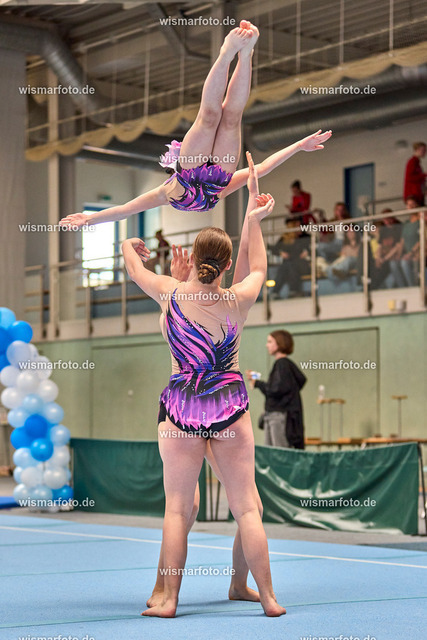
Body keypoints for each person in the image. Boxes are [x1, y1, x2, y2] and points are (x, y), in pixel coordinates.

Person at [122, 161, 286, 616]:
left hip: (181, 406)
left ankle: (169, 599)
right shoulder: (238, 299)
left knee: (178, 510)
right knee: (246, 508)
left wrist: (127, 242)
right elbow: (259, 265)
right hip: (228, 403)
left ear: (192, 259)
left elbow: (134, 269)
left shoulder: (169, 293)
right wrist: (255, 219)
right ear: (227, 265)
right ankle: (269, 598)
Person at [59, 21, 332, 229]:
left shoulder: (167, 193)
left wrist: (89, 219)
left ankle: (226, 54)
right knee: (231, 118)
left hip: (190, 169)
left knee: (210, 116)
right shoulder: (218, 193)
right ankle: (246, 54)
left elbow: (125, 210)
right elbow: (260, 168)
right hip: (220, 175)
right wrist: (299, 145)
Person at [147, 153, 264, 609]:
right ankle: (163, 587)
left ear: (194, 262)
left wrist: (251, 212)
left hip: (196, 403)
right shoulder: (206, 301)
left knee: (200, 507)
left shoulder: (183, 296)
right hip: (204, 403)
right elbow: (250, 268)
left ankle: (225, 585)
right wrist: (253, 210)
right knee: (197, 506)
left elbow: (239, 268)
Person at [246, 331, 306, 449]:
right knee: (272, 453)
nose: (267, 345)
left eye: (270, 342)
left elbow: (276, 389)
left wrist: (258, 383)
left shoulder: (282, 365)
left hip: (278, 416)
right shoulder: (285, 365)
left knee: (278, 454)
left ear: (279, 343)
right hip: (276, 415)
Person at [270, 220, 311, 298]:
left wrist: (307, 252)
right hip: (289, 264)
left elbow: (313, 248)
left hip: (301, 264)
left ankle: (276, 291)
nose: (300, 228)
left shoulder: (304, 237)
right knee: (287, 266)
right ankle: (292, 291)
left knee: (288, 265)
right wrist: (281, 253)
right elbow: (274, 249)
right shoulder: (284, 238)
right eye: (297, 226)